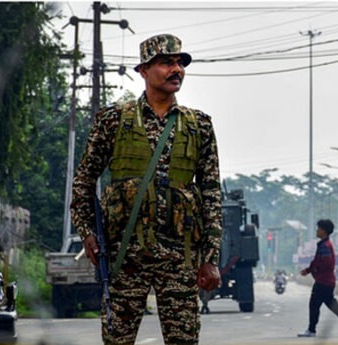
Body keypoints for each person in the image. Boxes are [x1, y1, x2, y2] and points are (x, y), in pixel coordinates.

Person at [71, 33, 223, 345]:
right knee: (117, 341)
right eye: (166, 62)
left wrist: (210, 257)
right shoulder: (114, 120)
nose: (176, 69)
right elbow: (84, 180)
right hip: (125, 257)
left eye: (180, 63)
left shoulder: (199, 126)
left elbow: (211, 194)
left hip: (180, 258)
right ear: (143, 70)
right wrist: (86, 231)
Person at [297, 219, 338, 338]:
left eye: (319, 228)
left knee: (314, 304)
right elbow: (318, 261)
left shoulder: (325, 246)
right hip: (327, 281)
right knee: (332, 305)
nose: (317, 230)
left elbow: (325, 263)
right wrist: (309, 270)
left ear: (324, 231)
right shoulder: (324, 244)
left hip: (323, 281)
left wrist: (314, 270)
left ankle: (311, 330)